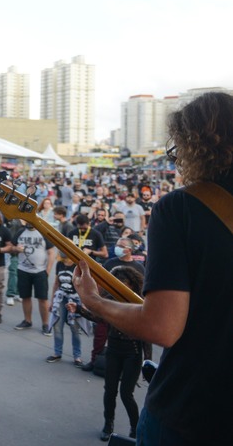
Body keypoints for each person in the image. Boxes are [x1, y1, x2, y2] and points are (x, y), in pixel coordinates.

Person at [74, 91, 233, 445]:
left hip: (193, 412)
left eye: (176, 150)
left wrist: (95, 302)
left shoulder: (180, 210)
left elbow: (162, 326)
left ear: (195, 146)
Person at [70, 267, 152, 441]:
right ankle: (108, 425)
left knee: (126, 393)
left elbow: (146, 336)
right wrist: (78, 309)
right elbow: (99, 317)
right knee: (109, 391)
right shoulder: (109, 300)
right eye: (117, 284)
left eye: (124, 284)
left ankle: (135, 427)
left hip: (133, 352)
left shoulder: (138, 302)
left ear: (132, 285)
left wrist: (148, 362)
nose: (121, 288)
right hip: (114, 350)